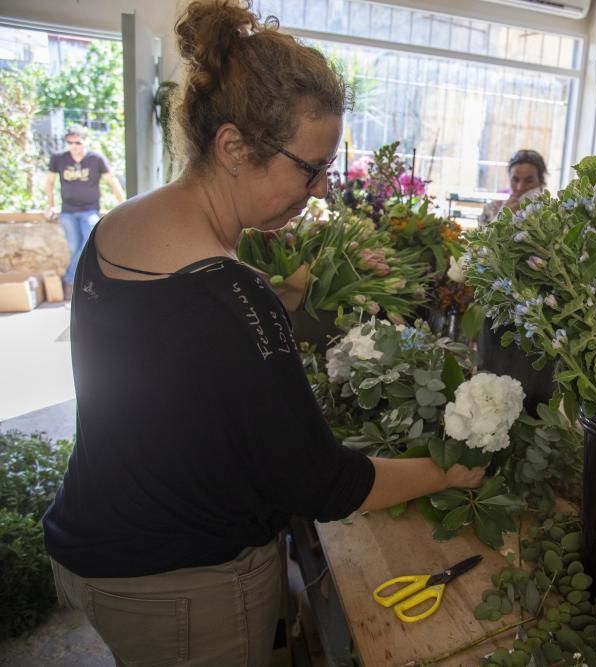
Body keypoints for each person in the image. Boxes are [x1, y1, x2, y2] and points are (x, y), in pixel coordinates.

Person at [41, 2, 484, 666]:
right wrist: (452, 470)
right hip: (181, 583)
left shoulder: (119, 226)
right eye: (310, 168)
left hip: (93, 542)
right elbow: (321, 483)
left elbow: (169, 340)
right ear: (233, 147)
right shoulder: (229, 292)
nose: (321, 187)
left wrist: (278, 299)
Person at [45, 125, 126, 292]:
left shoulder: (95, 159)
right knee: (74, 246)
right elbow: (49, 183)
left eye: (78, 142)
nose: (74, 146)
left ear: (85, 141)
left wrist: (123, 205)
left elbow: (112, 181)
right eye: (70, 142)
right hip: (68, 211)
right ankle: (78, 281)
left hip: (89, 210)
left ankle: (70, 280)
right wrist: (51, 205)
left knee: (89, 241)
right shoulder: (58, 158)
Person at [478, 149, 547, 225]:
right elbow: (481, 235)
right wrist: (501, 218)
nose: (520, 187)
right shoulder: (491, 209)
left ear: (541, 181)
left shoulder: (551, 212)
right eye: (515, 180)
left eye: (529, 181)